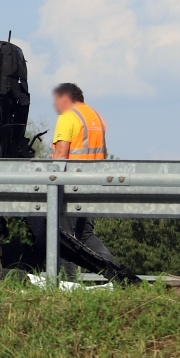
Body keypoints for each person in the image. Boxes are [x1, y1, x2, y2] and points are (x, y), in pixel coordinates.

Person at [32, 82, 119, 271]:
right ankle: (115, 275)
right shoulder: (96, 117)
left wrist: (49, 176)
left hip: (71, 186)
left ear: (65, 98)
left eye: (56, 101)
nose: (55, 106)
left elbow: (61, 155)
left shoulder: (68, 117)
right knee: (85, 235)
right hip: (92, 186)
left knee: (64, 238)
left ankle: (67, 284)